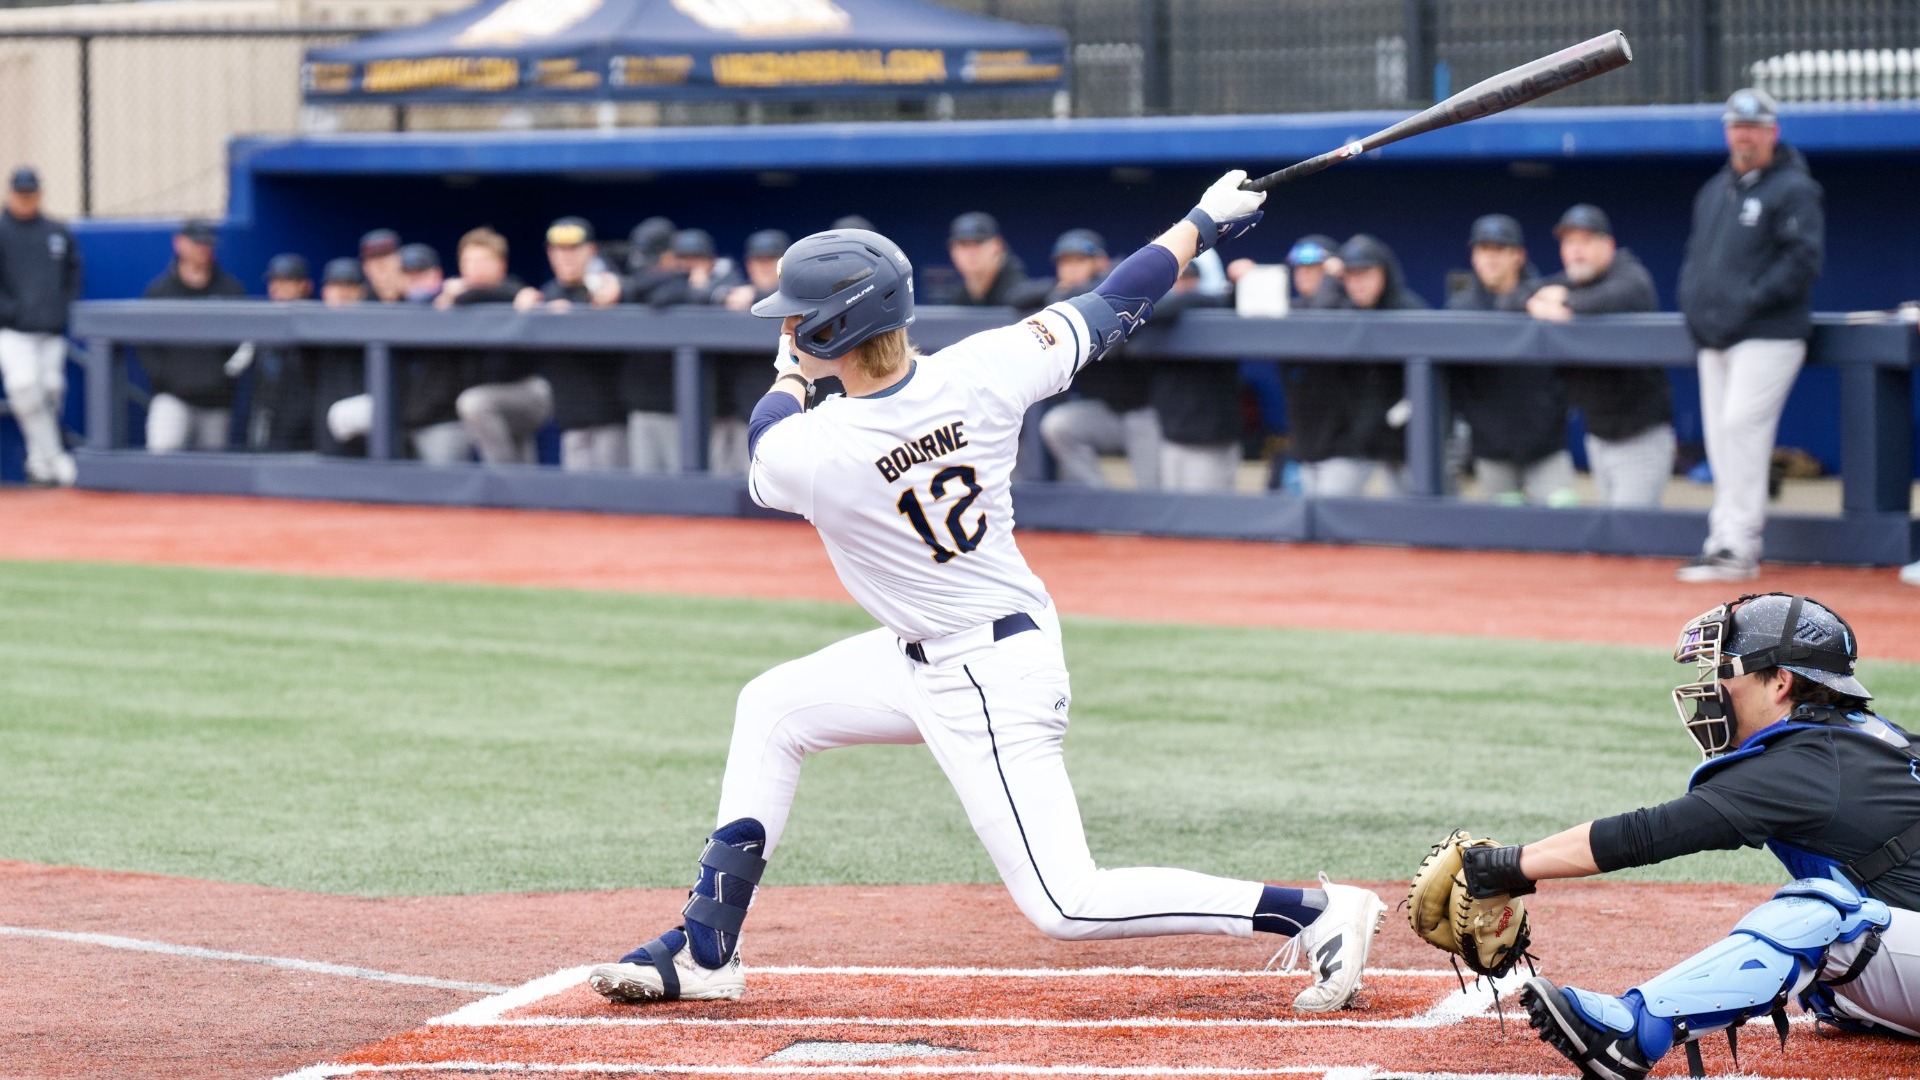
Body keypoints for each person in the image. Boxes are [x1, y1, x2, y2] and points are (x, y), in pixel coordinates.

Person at [585, 172, 1387, 1015]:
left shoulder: (817, 448)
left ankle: (1317, 912)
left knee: (1067, 902)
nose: (785, 326)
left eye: (797, 317)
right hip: (947, 644)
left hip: (984, 677)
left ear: (833, 328)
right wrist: (1202, 222)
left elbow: (765, 436)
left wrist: (790, 375)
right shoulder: (985, 367)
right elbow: (1117, 299)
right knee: (773, 707)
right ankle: (707, 946)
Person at [1457, 593, 1920, 1079]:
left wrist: (1505, 866)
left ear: (1781, 680)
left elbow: (1649, 834)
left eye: (1727, 668)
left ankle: (1633, 1034)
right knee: (1833, 946)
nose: (1716, 684)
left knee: (1823, 913)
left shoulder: (1807, 763)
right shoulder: (1860, 738)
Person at [1676, 88, 1824, 582]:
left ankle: (1738, 545)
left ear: (1772, 132)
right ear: (1728, 132)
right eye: (1737, 127)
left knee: (1740, 427)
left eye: (1754, 127)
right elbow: (1698, 260)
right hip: (1716, 336)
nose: (1744, 135)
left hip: (1768, 334)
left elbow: (1803, 262)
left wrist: (1745, 302)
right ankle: (1723, 540)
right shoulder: (1714, 189)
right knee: (1721, 438)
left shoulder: (1793, 188)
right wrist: (1695, 307)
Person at [1527, 203, 1673, 508]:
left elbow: (1631, 292)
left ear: (1607, 245)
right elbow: (1516, 296)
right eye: (1569, 242)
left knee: (1629, 534)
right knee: (1613, 536)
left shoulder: (1627, 272)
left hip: (1640, 436)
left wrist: (1566, 302)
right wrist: (1538, 304)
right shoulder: (1572, 280)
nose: (1576, 251)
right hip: (1598, 435)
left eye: (1586, 241)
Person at [1446, 214, 1576, 507]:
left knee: (1563, 526)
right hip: (1492, 451)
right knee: (1505, 541)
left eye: (1500, 250)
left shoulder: (1545, 298)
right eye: (1483, 250)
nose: (1491, 259)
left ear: (1518, 255)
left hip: (1548, 448)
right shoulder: (1460, 308)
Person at [1285, 234, 1420, 498]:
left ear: (1383, 273)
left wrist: (1406, 409)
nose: (1358, 282)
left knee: (1417, 520)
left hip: (1409, 443)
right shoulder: (1337, 308)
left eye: (1366, 273)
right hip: (1355, 441)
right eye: (1351, 274)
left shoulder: (1407, 310)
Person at [1035, 229, 1161, 489]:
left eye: (1079, 260)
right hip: (1102, 413)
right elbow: (1018, 295)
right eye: (1065, 262)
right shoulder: (1061, 296)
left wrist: (1063, 294)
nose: (1070, 269)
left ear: (1101, 261)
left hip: (1145, 413)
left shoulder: (1123, 285)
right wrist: (1056, 292)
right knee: (1057, 425)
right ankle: (1099, 501)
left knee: (1153, 492)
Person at [517, 217, 627, 471]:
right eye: (558, 250)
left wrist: (603, 302)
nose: (566, 257)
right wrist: (528, 310)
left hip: (612, 417)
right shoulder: (548, 293)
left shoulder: (610, 287)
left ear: (590, 251)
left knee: (616, 500)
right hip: (570, 420)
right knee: (578, 504)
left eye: (573, 249)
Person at [0, 165, 81, 485]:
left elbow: (73, 275)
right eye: (21, 193)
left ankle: (39, 464)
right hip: (12, 332)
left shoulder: (56, 231)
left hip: (50, 330)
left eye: (31, 193)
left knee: (51, 389)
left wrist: (61, 310)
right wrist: (11, 311)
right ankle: (56, 458)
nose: (26, 199)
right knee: (24, 388)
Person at [442, 227, 548, 465]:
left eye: (483, 260)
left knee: (474, 404)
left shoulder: (513, 290)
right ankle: (524, 492)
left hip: (527, 391)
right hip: (492, 396)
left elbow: (513, 292)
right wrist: (448, 298)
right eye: (469, 261)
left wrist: (458, 296)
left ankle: (505, 482)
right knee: (520, 450)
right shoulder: (460, 297)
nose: (475, 267)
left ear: (500, 264)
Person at [140, 219, 247, 453]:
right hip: (172, 397)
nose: (203, 248)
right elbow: (145, 344)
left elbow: (245, 345)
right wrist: (165, 378)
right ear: (179, 244)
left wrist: (224, 378)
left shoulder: (231, 290)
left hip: (217, 401)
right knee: (162, 456)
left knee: (214, 475)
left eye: (207, 243)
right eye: (196, 242)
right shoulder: (160, 291)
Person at [1149, 258, 1241, 492]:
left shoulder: (1219, 306)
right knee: (1174, 519)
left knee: (1208, 520)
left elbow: (1211, 300)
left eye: (1190, 279)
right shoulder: (1158, 316)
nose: (1183, 286)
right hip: (1172, 436)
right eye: (1177, 280)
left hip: (1210, 439)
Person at [250, 253, 315, 451]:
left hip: (306, 425)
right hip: (269, 416)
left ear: (304, 286)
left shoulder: (317, 322)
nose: (277, 289)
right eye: (274, 282)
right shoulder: (263, 323)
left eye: (286, 281)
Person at [939, 211, 1029, 306]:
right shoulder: (960, 297)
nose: (971, 252)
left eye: (978, 243)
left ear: (997, 246)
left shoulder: (1018, 294)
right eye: (963, 244)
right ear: (952, 251)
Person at [359, 229, 405, 303]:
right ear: (365, 267)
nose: (380, 263)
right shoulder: (358, 298)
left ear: (399, 259)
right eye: (373, 257)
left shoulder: (416, 295)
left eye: (385, 255)